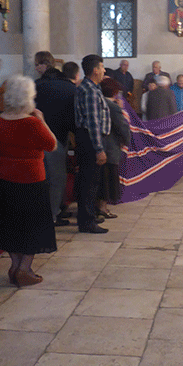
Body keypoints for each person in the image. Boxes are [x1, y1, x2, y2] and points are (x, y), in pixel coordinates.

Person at [0, 75, 58, 286]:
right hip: (32, 180)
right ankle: (24, 269)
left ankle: (15, 266)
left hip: (6, 179)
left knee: (11, 225)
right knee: (32, 226)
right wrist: (42, 119)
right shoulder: (32, 122)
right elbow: (52, 144)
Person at [35, 59, 78, 227]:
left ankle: (48, 212)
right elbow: (74, 117)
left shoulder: (35, 85)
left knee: (42, 178)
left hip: (37, 137)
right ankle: (53, 214)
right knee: (57, 178)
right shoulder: (69, 88)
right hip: (59, 137)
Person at [75, 54, 111, 234]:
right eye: (102, 67)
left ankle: (88, 217)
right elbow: (93, 122)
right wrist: (99, 149)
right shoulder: (89, 90)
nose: (104, 70)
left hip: (88, 139)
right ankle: (87, 221)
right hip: (90, 141)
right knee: (89, 182)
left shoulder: (92, 88)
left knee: (90, 181)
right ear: (95, 70)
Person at [97, 78, 131, 219]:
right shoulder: (113, 107)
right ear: (115, 92)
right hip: (110, 147)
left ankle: (98, 206)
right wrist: (127, 141)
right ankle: (103, 208)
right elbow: (122, 126)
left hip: (98, 146)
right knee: (107, 180)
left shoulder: (97, 102)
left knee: (100, 178)